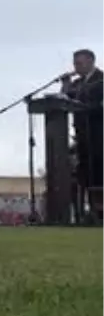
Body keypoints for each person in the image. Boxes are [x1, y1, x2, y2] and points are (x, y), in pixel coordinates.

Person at [62, 49, 104, 217]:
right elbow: (65, 99)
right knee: (84, 174)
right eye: (75, 63)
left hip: (100, 137)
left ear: (91, 61)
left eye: (79, 63)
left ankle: (101, 214)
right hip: (82, 136)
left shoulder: (101, 80)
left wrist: (85, 108)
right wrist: (65, 85)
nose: (76, 67)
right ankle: (87, 213)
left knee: (100, 174)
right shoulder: (77, 83)